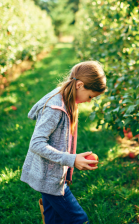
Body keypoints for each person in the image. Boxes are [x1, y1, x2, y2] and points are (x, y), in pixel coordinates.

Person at [20, 61, 107, 224]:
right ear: (80, 85)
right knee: (79, 219)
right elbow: (36, 144)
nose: (89, 101)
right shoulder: (55, 108)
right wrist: (71, 160)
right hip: (49, 178)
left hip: (51, 174)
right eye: (90, 96)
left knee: (53, 219)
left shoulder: (66, 99)